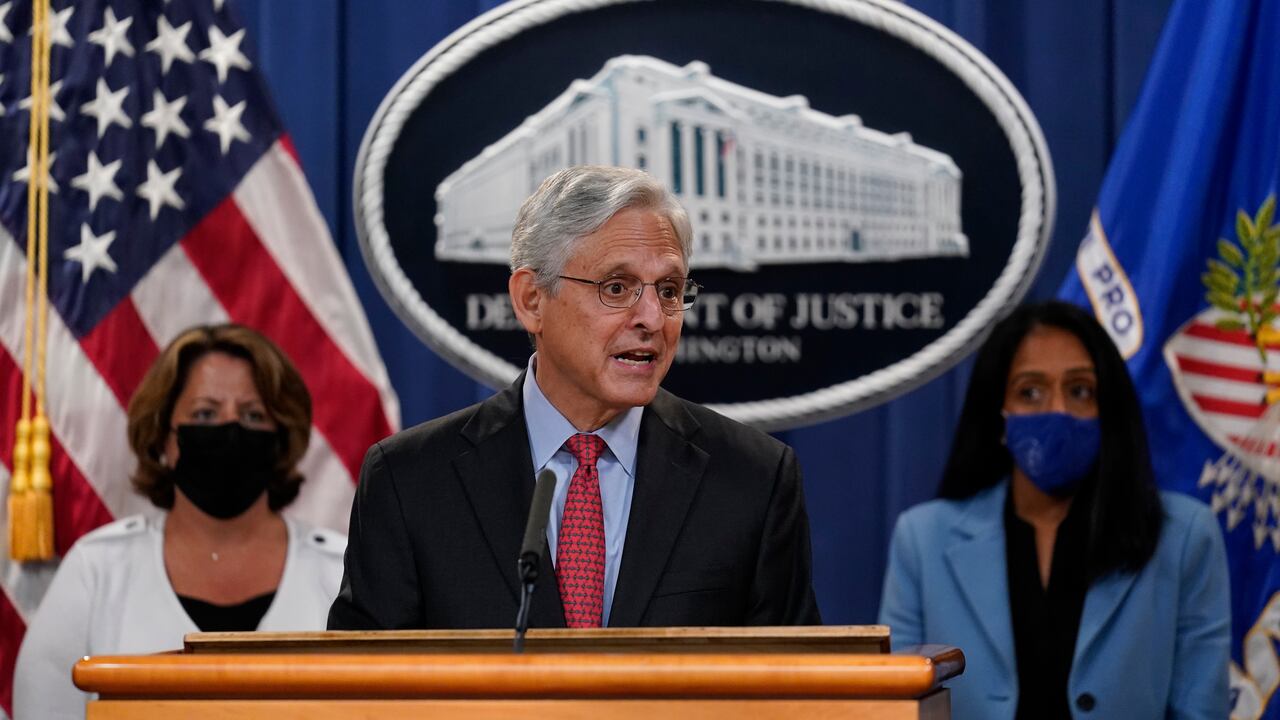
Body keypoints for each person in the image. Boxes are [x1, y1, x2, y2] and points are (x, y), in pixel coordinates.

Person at [329, 165, 820, 630]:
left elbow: (798, 696)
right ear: (532, 300)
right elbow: (361, 697)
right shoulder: (410, 480)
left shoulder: (753, 479)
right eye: (617, 286)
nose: (652, 317)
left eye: (669, 290)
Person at [878, 301, 1229, 719]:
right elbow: (899, 706)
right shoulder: (923, 540)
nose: (1058, 410)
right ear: (999, 416)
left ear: (1108, 408)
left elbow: (1199, 710)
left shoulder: (1184, 536)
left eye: (1080, 390)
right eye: (1030, 392)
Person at [14, 324, 346, 719]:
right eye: (205, 413)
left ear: (281, 435)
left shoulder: (342, 571)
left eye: (253, 414)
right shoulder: (98, 571)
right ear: (162, 437)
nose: (230, 428)